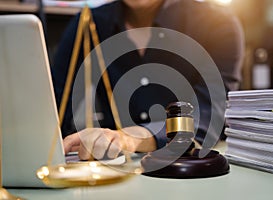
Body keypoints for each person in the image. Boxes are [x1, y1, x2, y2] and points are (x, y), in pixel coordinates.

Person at [51, 0, 244, 160]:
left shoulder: (218, 23)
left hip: (190, 169)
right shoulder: (88, 23)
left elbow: (209, 114)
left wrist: (130, 138)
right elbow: (52, 108)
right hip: (115, 171)